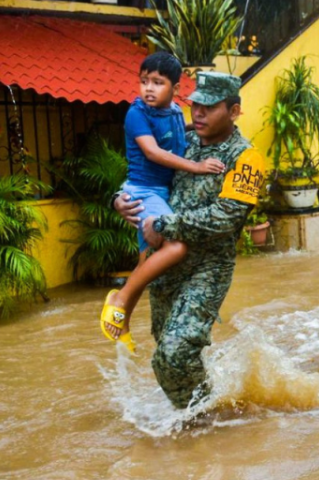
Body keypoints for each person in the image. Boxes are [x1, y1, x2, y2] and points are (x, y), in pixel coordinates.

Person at [112, 71, 266, 409]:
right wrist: (119, 200)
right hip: (166, 267)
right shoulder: (181, 139)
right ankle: (198, 419)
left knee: (175, 352)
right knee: (164, 352)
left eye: (209, 107)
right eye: (195, 105)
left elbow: (226, 218)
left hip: (207, 269)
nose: (198, 113)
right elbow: (143, 172)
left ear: (234, 111)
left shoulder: (247, 159)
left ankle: (204, 423)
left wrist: (165, 225)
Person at [100, 52, 228, 350]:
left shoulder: (174, 113)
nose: (148, 88)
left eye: (157, 83)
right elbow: (153, 153)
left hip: (163, 192)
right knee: (176, 246)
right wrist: (197, 167)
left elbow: (180, 141)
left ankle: (123, 322)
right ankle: (119, 298)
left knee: (146, 262)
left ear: (175, 89)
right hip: (145, 191)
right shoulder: (137, 114)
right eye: (144, 81)